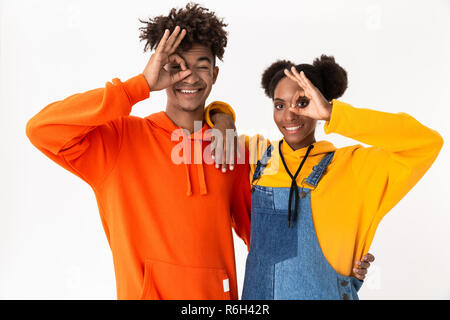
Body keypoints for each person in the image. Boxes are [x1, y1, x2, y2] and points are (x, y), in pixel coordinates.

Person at [207, 55, 443, 299]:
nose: (289, 115)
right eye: (280, 105)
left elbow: (426, 143)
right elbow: (192, 142)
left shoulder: (353, 167)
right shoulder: (257, 157)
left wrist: (333, 114)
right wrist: (221, 117)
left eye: (302, 103)